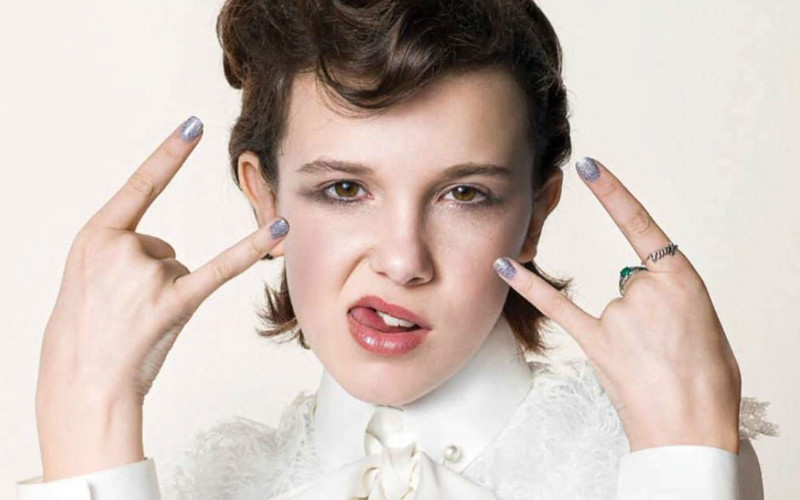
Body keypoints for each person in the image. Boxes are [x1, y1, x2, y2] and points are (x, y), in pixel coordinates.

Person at [16, 0, 778, 499]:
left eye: (464, 193)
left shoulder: (653, 461)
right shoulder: (210, 485)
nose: (403, 260)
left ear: (535, 214)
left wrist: (686, 457)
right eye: (345, 189)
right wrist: (88, 412)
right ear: (265, 196)